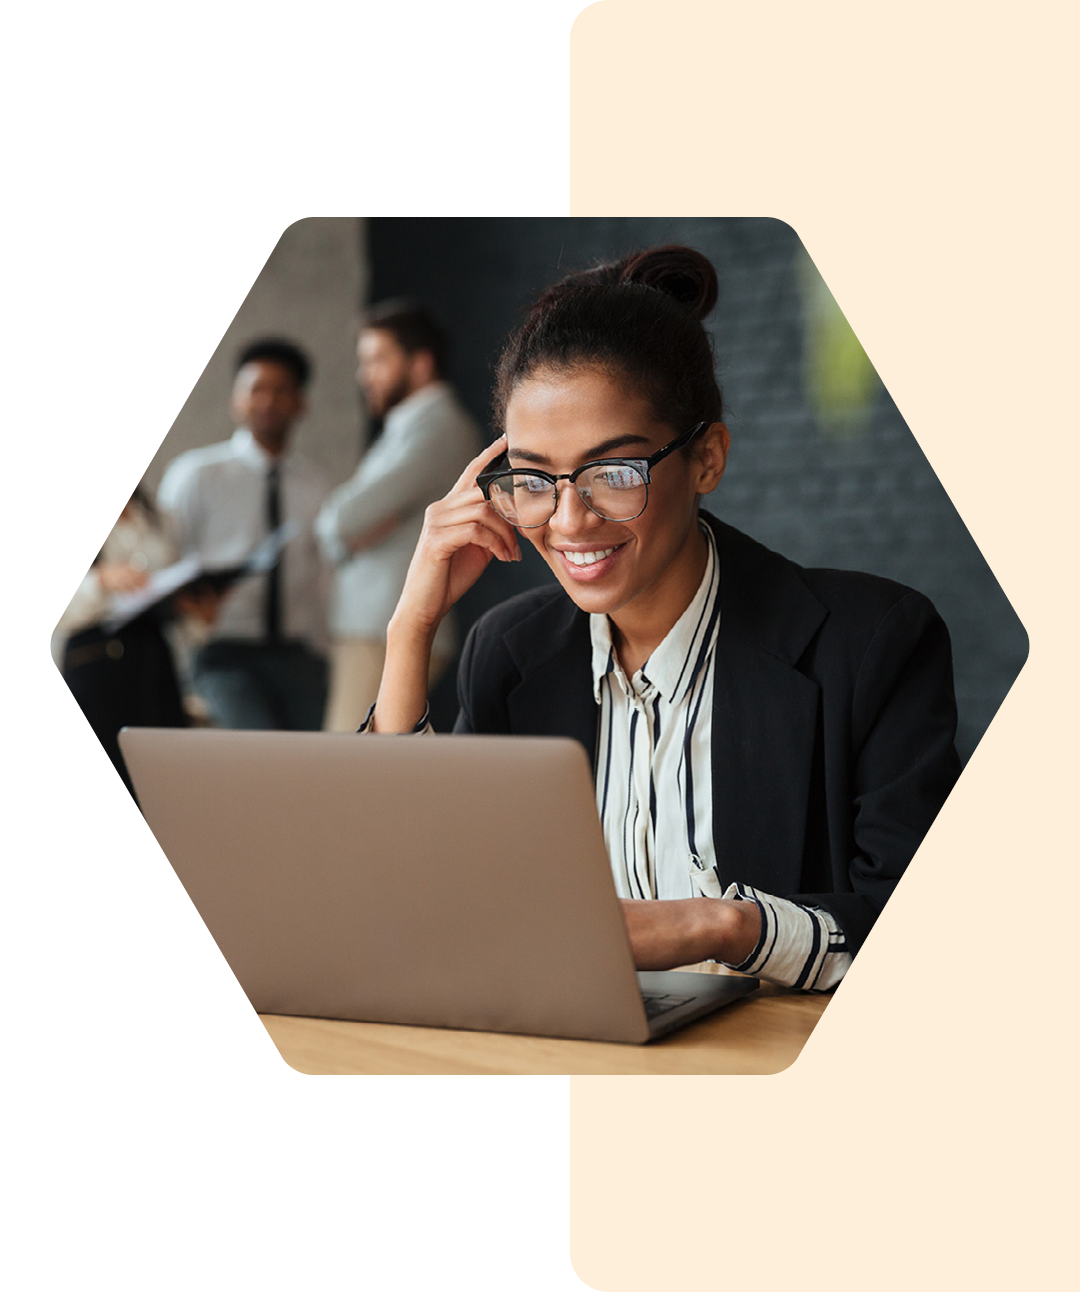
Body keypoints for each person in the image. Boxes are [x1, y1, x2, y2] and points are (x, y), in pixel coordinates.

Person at [367, 245, 961, 992]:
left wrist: (714, 926)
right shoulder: (509, 655)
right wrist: (409, 630)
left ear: (706, 458)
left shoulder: (870, 643)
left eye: (613, 472)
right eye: (535, 480)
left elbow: (927, 933)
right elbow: (412, 894)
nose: (569, 520)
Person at [315, 301, 481, 732]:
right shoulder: (407, 427)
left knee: (343, 776)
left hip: (384, 628)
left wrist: (348, 534)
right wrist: (350, 533)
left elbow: (338, 520)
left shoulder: (438, 427)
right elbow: (345, 527)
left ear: (421, 363)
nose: (363, 375)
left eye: (377, 360)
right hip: (374, 626)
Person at [157, 338, 331, 731]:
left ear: (300, 402)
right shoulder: (196, 475)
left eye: (281, 390)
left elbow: (322, 576)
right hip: (223, 653)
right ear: (236, 399)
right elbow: (165, 565)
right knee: (252, 760)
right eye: (256, 389)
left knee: (306, 772)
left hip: (297, 657)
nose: (268, 401)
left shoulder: (314, 485)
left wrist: (322, 650)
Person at [55, 486, 188, 801]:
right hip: (97, 661)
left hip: (154, 658)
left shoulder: (156, 513)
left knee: (166, 786)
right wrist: (100, 581)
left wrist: (194, 607)